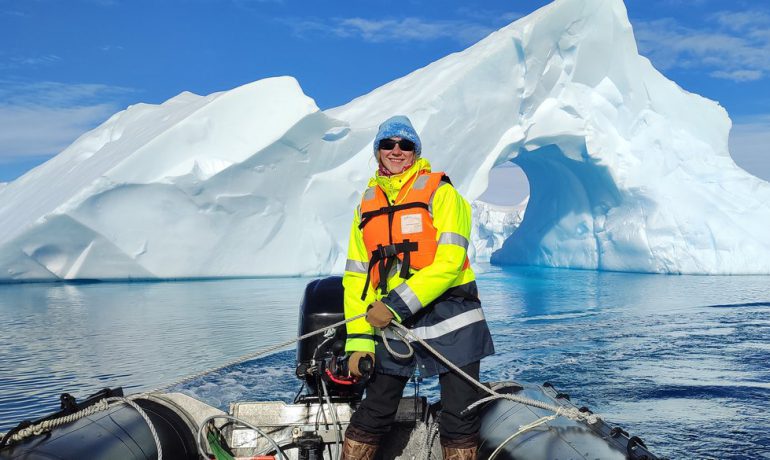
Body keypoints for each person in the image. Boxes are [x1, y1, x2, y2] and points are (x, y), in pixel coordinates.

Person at [341, 115, 495, 460]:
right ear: (377, 151)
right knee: (374, 412)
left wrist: (394, 305)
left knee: (460, 418)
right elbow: (356, 278)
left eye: (405, 145)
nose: (396, 151)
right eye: (388, 144)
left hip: (451, 318)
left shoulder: (442, 194)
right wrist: (358, 340)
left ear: (415, 152)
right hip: (393, 323)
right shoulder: (365, 207)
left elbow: (450, 262)